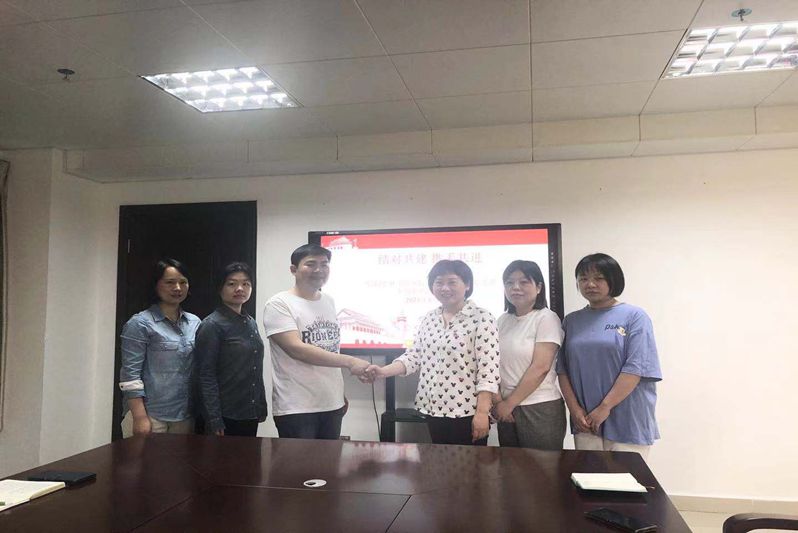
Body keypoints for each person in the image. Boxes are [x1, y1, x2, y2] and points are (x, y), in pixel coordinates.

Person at [367, 260, 500, 446]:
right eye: (439, 282)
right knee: (438, 461)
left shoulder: (482, 318)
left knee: (469, 463)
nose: (445, 288)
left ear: (468, 284)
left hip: (467, 411)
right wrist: (382, 371)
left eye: (452, 282)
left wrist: (482, 413)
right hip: (433, 408)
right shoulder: (429, 318)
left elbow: (488, 371)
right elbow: (414, 356)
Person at [556, 253, 662, 459]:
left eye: (599, 278)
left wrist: (604, 408)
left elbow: (636, 368)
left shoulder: (635, 316)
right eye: (583, 279)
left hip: (627, 417)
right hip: (585, 419)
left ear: (614, 280)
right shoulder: (571, 321)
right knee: (589, 475)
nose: (590, 284)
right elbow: (562, 370)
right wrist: (574, 410)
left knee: (627, 477)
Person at [263, 244, 370, 439]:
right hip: (297, 407)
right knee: (299, 460)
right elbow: (297, 349)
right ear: (293, 269)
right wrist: (350, 361)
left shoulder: (328, 301)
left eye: (324, 264)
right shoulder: (278, 304)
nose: (319, 270)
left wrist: (337, 393)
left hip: (332, 403)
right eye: (311, 264)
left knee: (329, 459)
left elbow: (330, 349)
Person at [119, 258, 201, 437]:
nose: (177, 288)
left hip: (184, 414)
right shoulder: (140, 323)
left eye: (183, 282)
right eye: (170, 282)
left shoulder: (195, 322)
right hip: (150, 415)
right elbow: (130, 375)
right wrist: (140, 417)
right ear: (156, 285)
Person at [493, 260, 566, 450]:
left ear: (539, 287)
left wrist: (509, 404)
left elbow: (541, 367)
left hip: (539, 407)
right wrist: (499, 401)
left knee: (542, 466)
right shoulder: (502, 321)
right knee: (510, 465)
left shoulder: (546, 318)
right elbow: (491, 363)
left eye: (524, 282)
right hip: (505, 407)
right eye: (509, 282)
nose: (515, 287)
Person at [196, 262, 267, 437]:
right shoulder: (212, 325)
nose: (240, 288)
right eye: (231, 283)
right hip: (225, 414)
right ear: (220, 288)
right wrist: (213, 418)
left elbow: (255, 368)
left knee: (249, 455)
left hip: (249, 411)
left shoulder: (250, 322)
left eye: (246, 283)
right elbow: (205, 375)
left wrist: (261, 404)